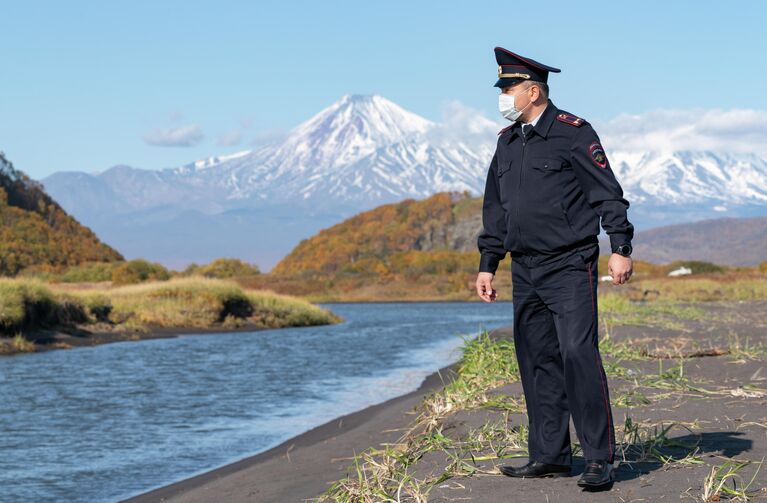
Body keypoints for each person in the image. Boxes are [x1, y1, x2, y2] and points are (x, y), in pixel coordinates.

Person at [475, 46, 635, 490]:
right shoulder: (506, 143)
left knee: (578, 356)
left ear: (533, 90)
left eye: (509, 88)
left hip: (570, 264)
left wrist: (620, 244)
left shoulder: (573, 133)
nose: (503, 95)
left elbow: (607, 192)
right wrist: (489, 263)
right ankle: (549, 456)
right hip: (524, 269)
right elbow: (496, 210)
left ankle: (599, 458)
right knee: (537, 360)